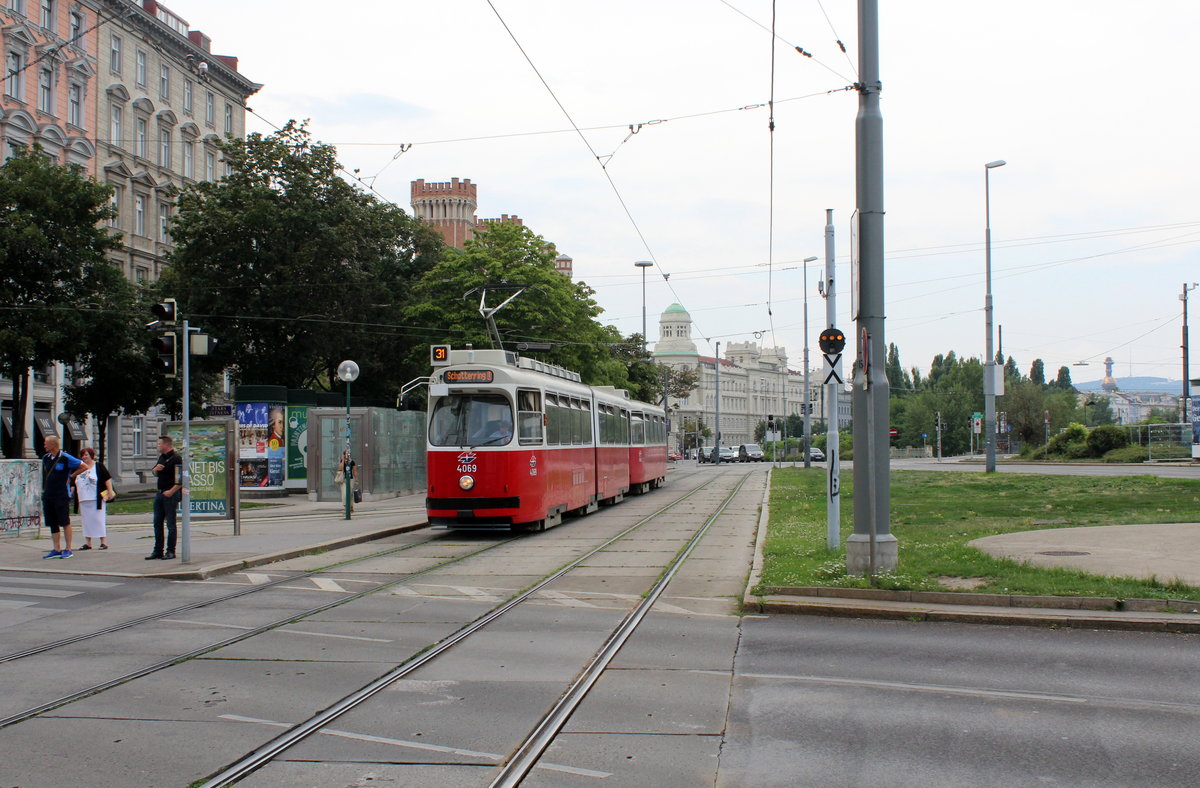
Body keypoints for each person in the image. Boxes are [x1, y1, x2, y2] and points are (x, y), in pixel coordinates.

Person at [40, 436, 81, 559]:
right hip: (49, 494)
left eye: (46, 443)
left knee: (64, 521)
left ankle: (68, 549)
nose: (44, 446)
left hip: (61, 494)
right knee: (52, 522)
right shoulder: (45, 458)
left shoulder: (65, 457)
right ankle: (56, 548)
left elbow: (83, 466)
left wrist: (71, 477)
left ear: (53, 445)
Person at [148, 435, 182, 560]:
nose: (158, 446)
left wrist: (172, 491)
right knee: (157, 522)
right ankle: (158, 550)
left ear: (166, 445)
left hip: (170, 493)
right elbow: (154, 471)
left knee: (170, 523)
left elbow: (181, 479)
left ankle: (171, 551)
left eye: (159, 444)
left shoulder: (176, 458)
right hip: (160, 493)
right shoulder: (162, 457)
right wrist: (156, 469)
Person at [73, 447, 114, 550]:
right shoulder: (79, 467)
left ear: (92, 455)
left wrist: (110, 491)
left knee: (99, 519)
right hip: (83, 498)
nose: (84, 457)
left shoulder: (98, 466)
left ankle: (103, 542)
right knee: (86, 521)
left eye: (86, 455)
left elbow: (107, 479)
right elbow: (74, 480)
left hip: (96, 498)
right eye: (82, 455)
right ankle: (88, 542)